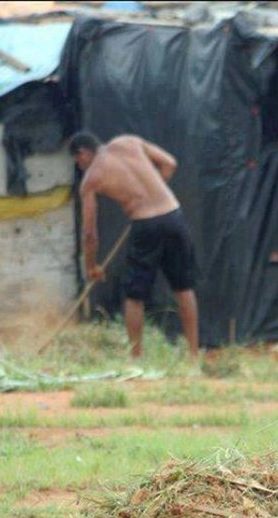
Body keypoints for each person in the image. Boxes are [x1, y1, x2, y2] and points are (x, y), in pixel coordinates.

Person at [69, 132, 199, 361]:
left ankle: (136, 359)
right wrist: (153, 193)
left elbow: (89, 233)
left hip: (145, 225)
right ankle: (194, 355)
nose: (79, 167)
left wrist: (91, 266)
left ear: (83, 152)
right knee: (183, 288)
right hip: (173, 216)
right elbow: (169, 163)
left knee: (134, 296)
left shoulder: (92, 178)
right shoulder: (128, 141)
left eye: (77, 161)